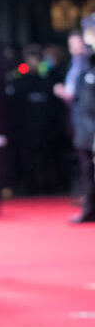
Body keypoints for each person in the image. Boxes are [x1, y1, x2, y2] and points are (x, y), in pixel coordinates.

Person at [61, 21, 95, 223]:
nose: (76, 48)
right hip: (82, 127)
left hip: (90, 127)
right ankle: (90, 208)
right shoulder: (77, 67)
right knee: (87, 170)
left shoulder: (88, 64)